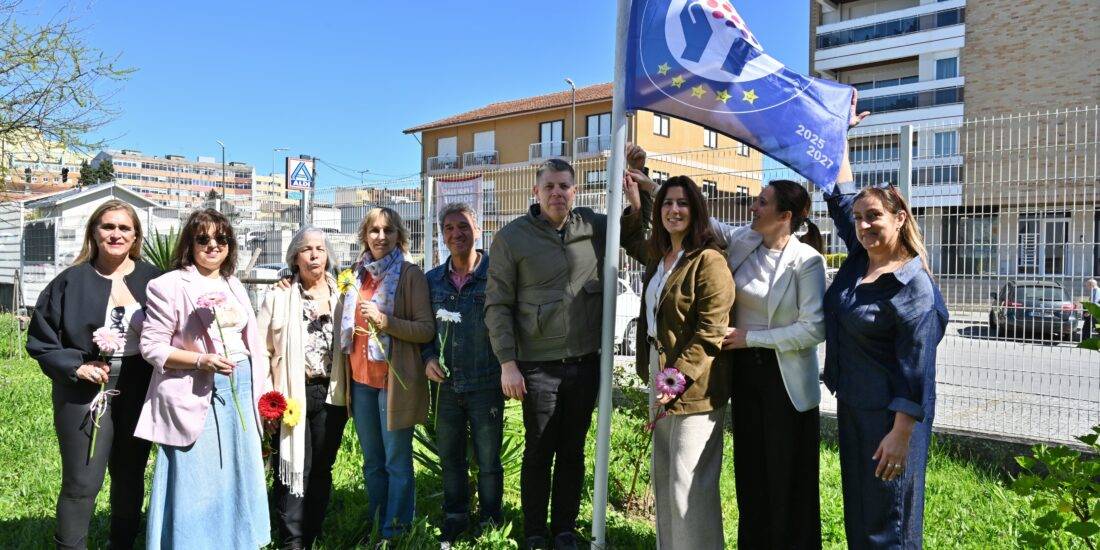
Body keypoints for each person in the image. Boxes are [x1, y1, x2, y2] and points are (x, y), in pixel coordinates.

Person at [486, 147, 651, 550]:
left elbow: (633, 234)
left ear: (575, 191)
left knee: (573, 450)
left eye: (564, 186)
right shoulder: (512, 238)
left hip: (584, 362)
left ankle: (563, 529)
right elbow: (497, 304)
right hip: (537, 366)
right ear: (536, 191)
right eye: (549, 186)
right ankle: (534, 533)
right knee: (540, 449)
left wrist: (636, 189)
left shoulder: (592, 226)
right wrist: (508, 363)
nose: (557, 193)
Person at [821, 95, 949, 549]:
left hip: (893, 421)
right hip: (856, 406)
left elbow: (917, 371)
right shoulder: (860, 259)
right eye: (859, 219)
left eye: (873, 216)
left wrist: (900, 434)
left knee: (889, 524)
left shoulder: (913, 286)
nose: (863, 225)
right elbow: (840, 194)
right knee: (861, 511)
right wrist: (839, 134)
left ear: (899, 218)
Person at [26, 200, 162, 550]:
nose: (115, 234)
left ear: (135, 236)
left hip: (138, 387)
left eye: (124, 228)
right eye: (108, 226)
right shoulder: (70, 282)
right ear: (94, 232)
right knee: (82, 480)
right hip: (83, 391)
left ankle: (122, 543)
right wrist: (76, 366)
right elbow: (42, 339)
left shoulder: (154, 280)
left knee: (130, 475)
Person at [137, 208, 271, 549]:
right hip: (195, 391)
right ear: (190, 243)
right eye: (203, 239)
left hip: (239, 388)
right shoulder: (167, 285)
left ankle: (236, 541)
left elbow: (250, 341)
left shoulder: (233, 284)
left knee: (237, 472)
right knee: (198, 480)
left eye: (221, 239)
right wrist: (201, 361)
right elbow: (152, 348)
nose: (213, 245)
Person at [621, 172, 734, 549]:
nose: (673, 210)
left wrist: (675, 379)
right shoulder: (661, 256)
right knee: (665, 476)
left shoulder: (709, 260)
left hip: (693, 385)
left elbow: (710, 332)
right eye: (667, 202)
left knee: (689, 484)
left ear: (696, 210)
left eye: (682, 203)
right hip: (660, 370)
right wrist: (637, 205)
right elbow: (630, 239)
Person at [713, 179, 827, 548]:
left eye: (762, 203)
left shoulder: (806, 261)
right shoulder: (746, 240)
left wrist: (751, 338)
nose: (753, 207)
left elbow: (813, 329)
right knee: (751, 471)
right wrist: (648, 184)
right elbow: (708, 223)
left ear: (785, 216)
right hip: (745, 375)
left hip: (785, 380)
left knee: (786, 475)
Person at [331, 207, 434, 540]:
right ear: (365, 235)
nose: (380, 236)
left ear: (398, 236)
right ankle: (378, 523)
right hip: (361, 384)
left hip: (393, 383)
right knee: (372, 462)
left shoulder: (410, 275)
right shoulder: (355, 275)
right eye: (374, 230)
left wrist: (386, 322)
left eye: (388, 230)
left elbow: (425, 330)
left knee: (396, 462)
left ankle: (397, 530)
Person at [258, 227, 348, 549]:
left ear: (328, 256)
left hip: (332, 394)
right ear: (294, 257)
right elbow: (262, 351)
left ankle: (312, 533)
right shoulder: (279, 296)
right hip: (292, 394)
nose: (314, 255)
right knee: (294, 467)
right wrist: (269, 397)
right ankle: (291, 541)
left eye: (320, 249)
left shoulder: (343, 295)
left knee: (322, 467)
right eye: (306, 249)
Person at [422, 203, 504, 547]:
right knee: (451, 459)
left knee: (488, 460)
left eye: (464, 227)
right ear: (443, 235)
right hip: (445, 388)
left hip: (486, 383)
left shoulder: (496, 274)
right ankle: (455, 517)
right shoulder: (431, 281)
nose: (457, 234)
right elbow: (425, 331)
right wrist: (427, 358)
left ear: (478, 230)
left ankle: (490, 520)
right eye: (450, 228)